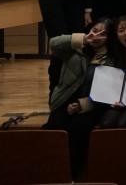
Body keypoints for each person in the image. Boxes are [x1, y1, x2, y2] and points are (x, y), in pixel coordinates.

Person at [43, 20, 111, 178]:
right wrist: (84, 39)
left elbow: (106, 93)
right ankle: (50, 172)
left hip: (92, 103)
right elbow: (53, 44)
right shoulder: (76, 48)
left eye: (103, 34)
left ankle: (74, 175)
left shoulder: (111, 58)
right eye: (95, 30)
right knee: (54, 127)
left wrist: (82, 105)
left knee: (78, 129)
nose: (97, 35)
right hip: (65, 98)